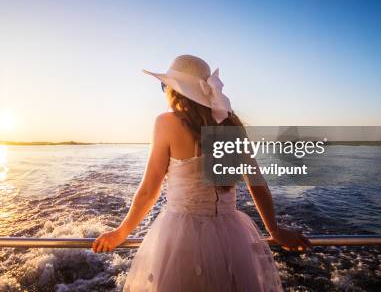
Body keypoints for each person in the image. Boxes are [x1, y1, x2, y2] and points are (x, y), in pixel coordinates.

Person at [93, 54, 310, 291]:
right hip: (232, 237)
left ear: (175, 90)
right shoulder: (232, 126)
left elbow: (148, 191)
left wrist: (121, 232)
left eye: (165, 85)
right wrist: (274, 231)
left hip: (181, 236)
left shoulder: (166, 123)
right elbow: (257, 184)